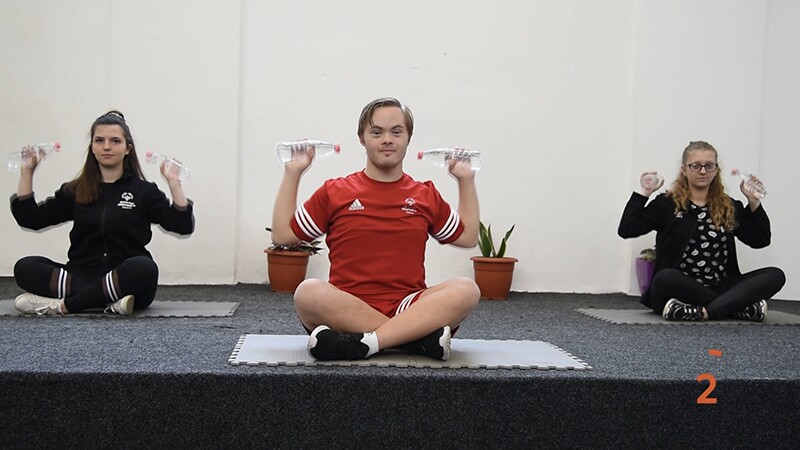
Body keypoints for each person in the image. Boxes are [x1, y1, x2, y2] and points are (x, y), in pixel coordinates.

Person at [271, 97, 481, 360]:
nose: (387, 139)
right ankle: (413, 340)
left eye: (396, 132)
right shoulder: (335, 192)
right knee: (308, 293)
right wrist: (293, 172)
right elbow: (283, 236)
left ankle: (367, 342)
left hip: (408, 306)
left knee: (467, 289)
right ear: (362, 138)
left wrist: (466, 179)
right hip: (348, 305)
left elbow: (468, 237)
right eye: (377, 132)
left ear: (408, 138)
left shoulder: (424, 194)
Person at [10, 110, 195, 316]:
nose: (106, 146)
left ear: (127, 149)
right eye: (99, 140)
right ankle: (107, 300)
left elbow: (182, 225)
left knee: (145, 267)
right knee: (25, 267)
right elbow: (31, 219)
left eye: (115, 141)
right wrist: (27, 171)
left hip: (126, 276)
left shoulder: (144, 191)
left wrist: (174, 183)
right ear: (92, 147)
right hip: (83, 276)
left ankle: (64, 306)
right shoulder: (75, 190)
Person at [618, 140, 785, 321]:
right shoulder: (667, 204)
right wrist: (644, 192)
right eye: (696, 166)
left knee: (775, 275)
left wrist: (753, 202)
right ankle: (735, 307)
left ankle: (705, 311)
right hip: (678, 286)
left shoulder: (728, 206)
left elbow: (760, 240)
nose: (703, 171)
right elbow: (627, 229)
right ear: (684, 169)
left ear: (716, 169)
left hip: (718, 286)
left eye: (709, 166)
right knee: (664, 277)